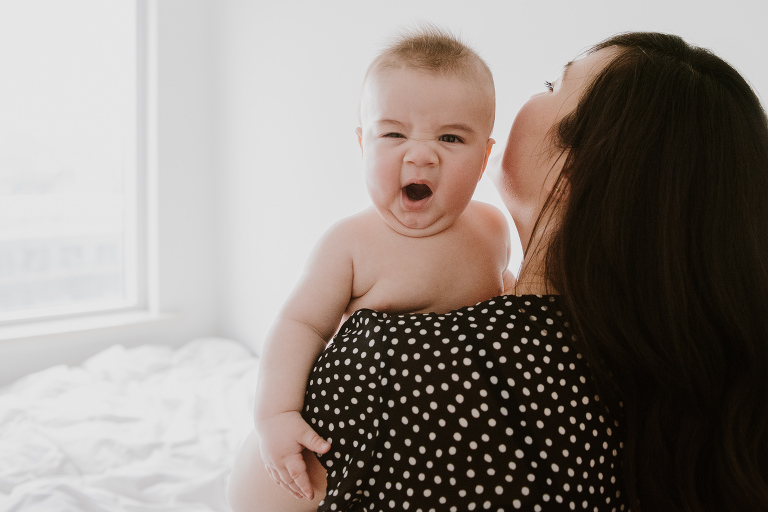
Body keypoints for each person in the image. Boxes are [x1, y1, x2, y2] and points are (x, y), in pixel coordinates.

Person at [229, 31, 768, 512]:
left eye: (555, 86)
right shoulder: (677, 385)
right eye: (393, 134)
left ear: (580, 166)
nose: (422, 154)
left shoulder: (406, 360)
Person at [228, 26, 515, 511]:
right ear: (364, 143)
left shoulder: (491, 228)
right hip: (356, 446)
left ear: (485, 156)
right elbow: (300, 325)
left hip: (435, 451)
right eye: (394, 133)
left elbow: (501, 298)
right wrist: (275, 413)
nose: (421, 153)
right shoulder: (352, 244)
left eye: (450, 137)